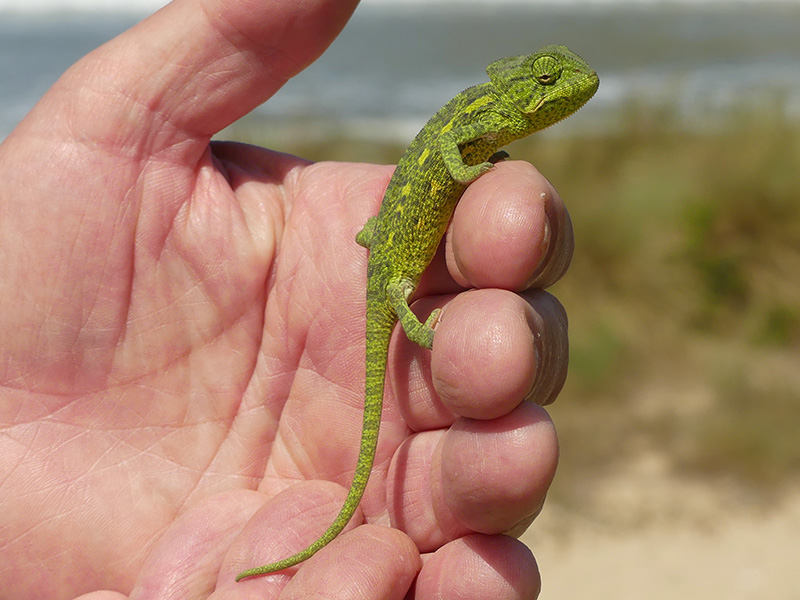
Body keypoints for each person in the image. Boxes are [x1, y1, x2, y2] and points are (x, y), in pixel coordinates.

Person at [0, 0, 574, 598]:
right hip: (394, 279)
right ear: (524, 89)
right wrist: (470, 185)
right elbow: (452, 157)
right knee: (454, 344)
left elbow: (459, 153)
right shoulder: (484, 115)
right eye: (548, 82)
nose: (558, 92)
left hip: (389, 246)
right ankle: (413, 319)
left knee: (492, 356)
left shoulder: (488, 115)